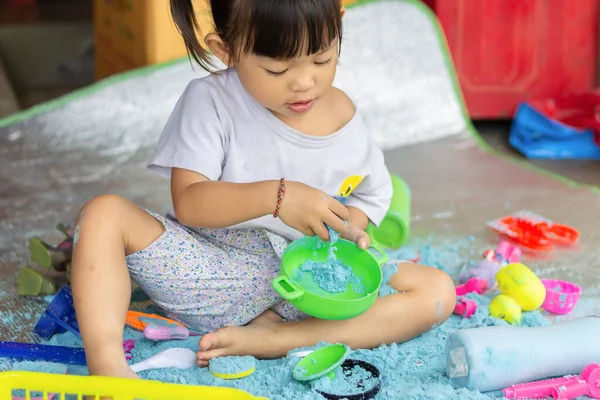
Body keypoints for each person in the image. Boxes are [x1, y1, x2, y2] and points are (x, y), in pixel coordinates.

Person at [71, 0, 456, 379]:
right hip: (212, 270)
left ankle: (280, 338)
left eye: (321, 59)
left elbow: (366, 196)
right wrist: (279, 198)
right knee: (103, 213)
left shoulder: (343, 115)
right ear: (226, 51)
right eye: (276, 69)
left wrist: (345, 231)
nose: (304, 81)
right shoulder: (211, 102)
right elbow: (189, 201)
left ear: (339, 24)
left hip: (304, 288)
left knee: (436, 291)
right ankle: (107, 367)